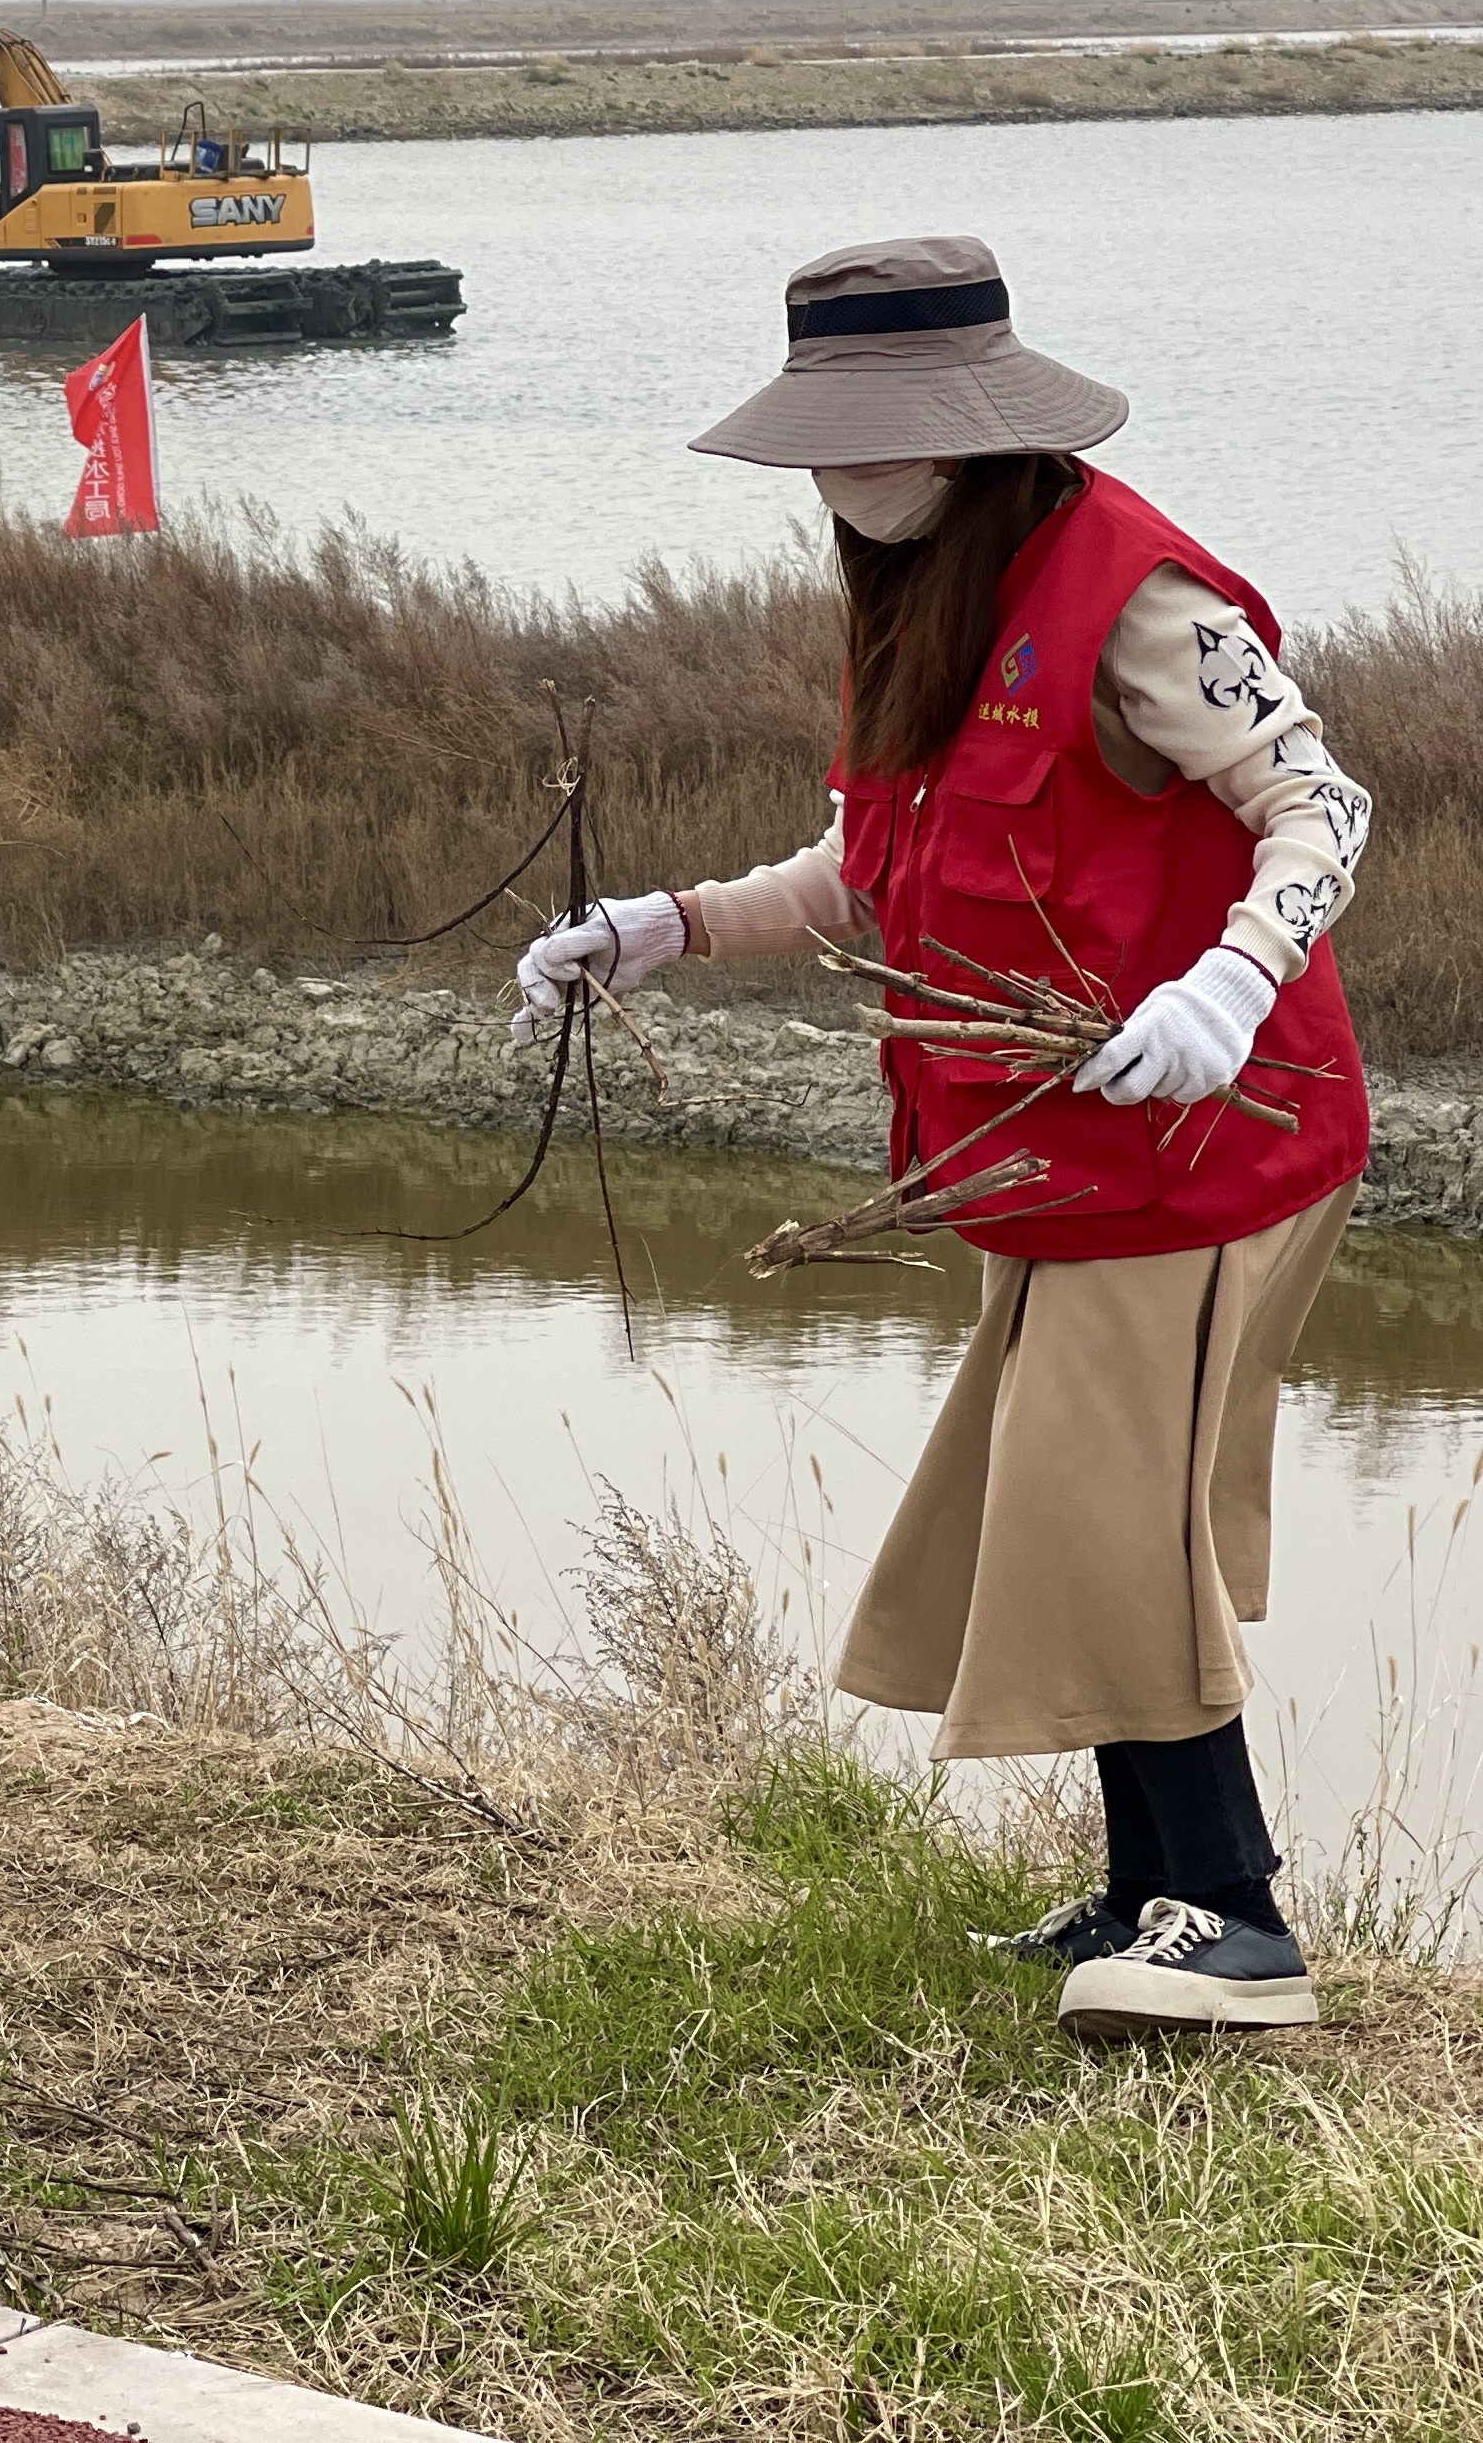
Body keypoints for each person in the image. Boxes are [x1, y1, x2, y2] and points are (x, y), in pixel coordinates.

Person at [513, 235, 1371, 2038]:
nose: (837, 476)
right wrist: (668, 925)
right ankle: (1143, 1895)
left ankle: (1236, 1922)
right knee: (1069, 1503)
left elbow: (1323, 806)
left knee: (1113, 1514)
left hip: (1210, 1146)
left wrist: (1226, 988)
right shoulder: (925, 600)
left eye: (868, 436)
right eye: (819, 443)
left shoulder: (1141, 599)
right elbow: (875, 870)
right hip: (1062, 1165)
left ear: (972, 427)